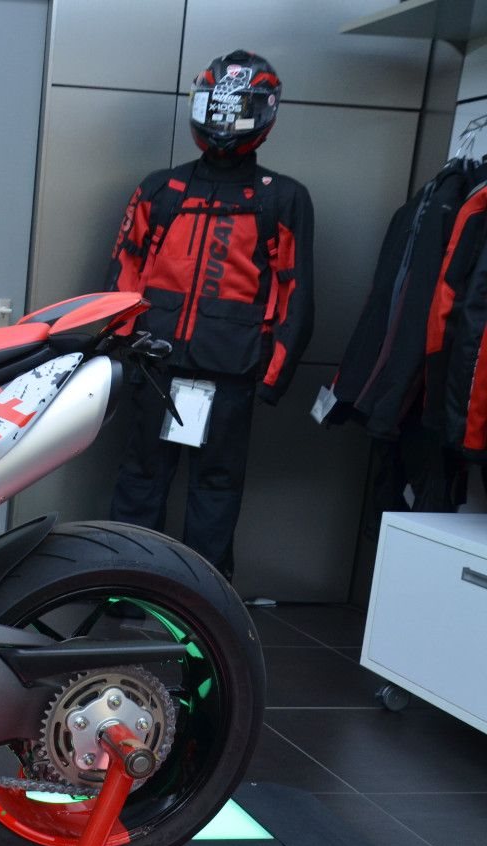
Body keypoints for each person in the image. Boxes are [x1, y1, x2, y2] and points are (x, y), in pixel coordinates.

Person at [106, 50, 314, 579]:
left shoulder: (282, 198)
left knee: (216, 490)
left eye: (240, 109)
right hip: (154, 364)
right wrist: (118, 350)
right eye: (216, 106)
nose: (225, 121)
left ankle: (204, 601)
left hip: (230, 372)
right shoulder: (161, 188)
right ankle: (122, 589)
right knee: (140, 480)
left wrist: (275, 375)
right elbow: (125, 271)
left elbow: (295, 289)